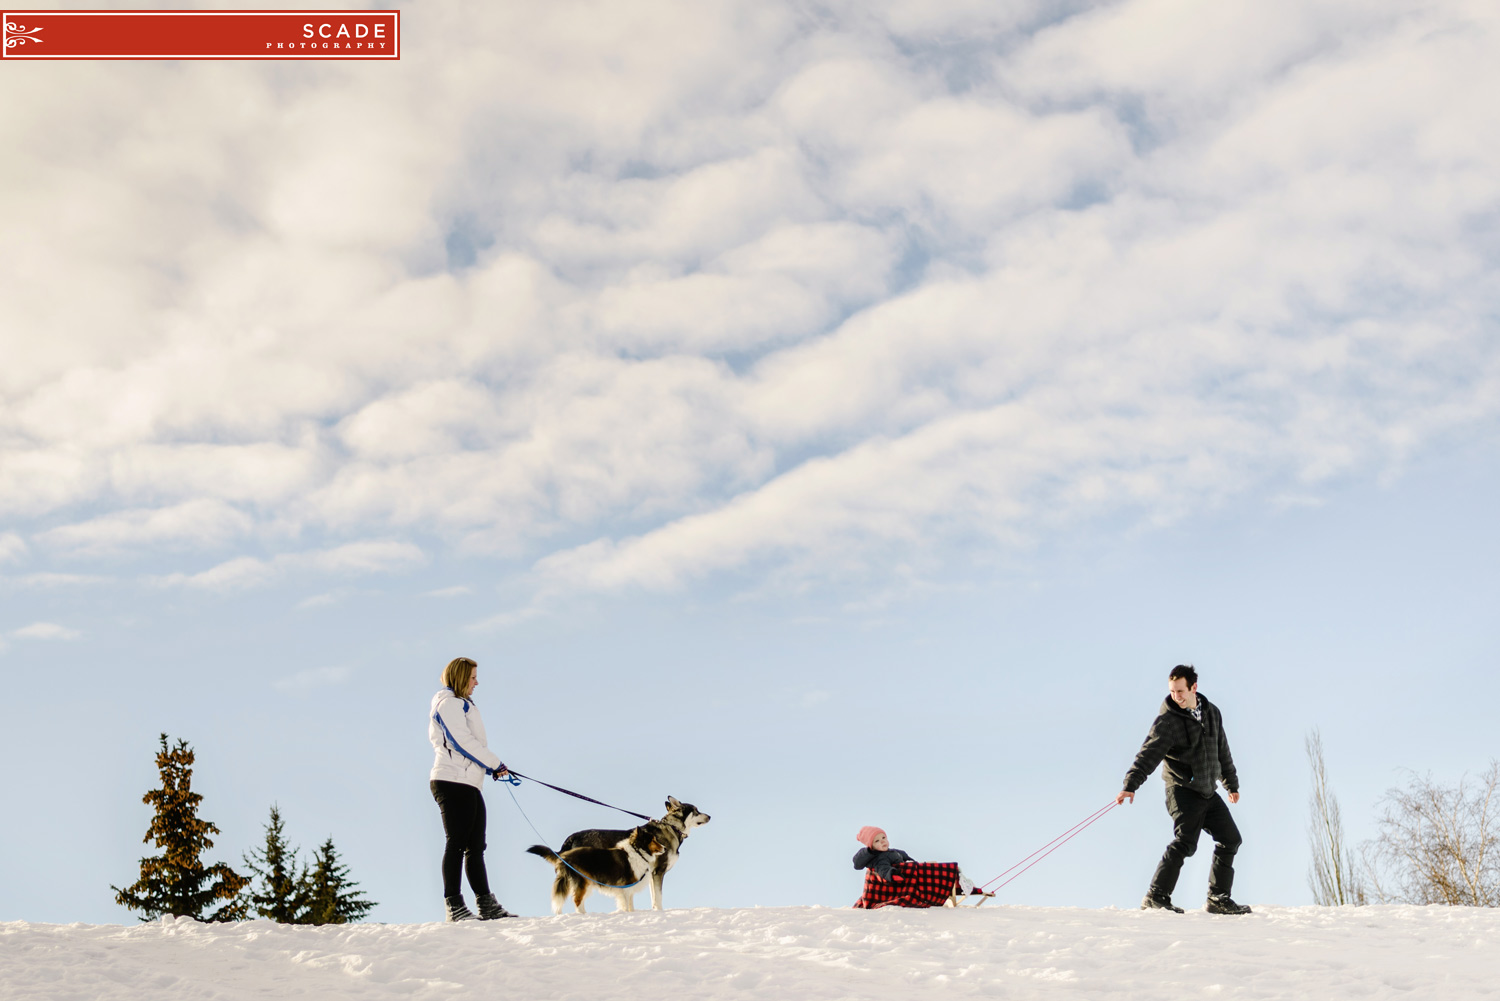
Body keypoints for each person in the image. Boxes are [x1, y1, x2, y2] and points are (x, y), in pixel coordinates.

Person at [1116, 664, 1251, 915]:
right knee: (1186, 843)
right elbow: (1149, 754)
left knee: (1231, 839)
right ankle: (1156, 896)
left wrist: (1230, 783)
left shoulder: (1212, 713)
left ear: (1193, 688)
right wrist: (1130, 785)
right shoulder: (1168, 722)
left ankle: (1218, 898)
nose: (1176, 696)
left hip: (1207, 791)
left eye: (1180, 691)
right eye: (1172, 691)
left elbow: (1221, 749)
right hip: (1181, 790)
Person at [429, 656, 515, 921]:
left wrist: (490, 768)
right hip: (451, 780)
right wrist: (495, 763)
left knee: (476, 845)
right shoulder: (449, 704)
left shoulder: (464, 704)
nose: (477, 682)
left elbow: (470, 744)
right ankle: (454, 905)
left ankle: (486, 904)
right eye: (473, 677)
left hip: (468, 781)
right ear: (460, 677)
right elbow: (461, 741)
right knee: (456, 843)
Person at [851, 826, 989, 908]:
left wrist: (911, 862)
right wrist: (893, 875)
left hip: (911, 872)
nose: (882, 842)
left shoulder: (895, 852)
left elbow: (907, 858)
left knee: (938, 867)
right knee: (939, 870)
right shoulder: (880, 858)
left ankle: (958, 884)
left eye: (883, 838)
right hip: (903, 880)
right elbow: (883, 870)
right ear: (871, 846)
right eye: (877, 841)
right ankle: (952, 882)